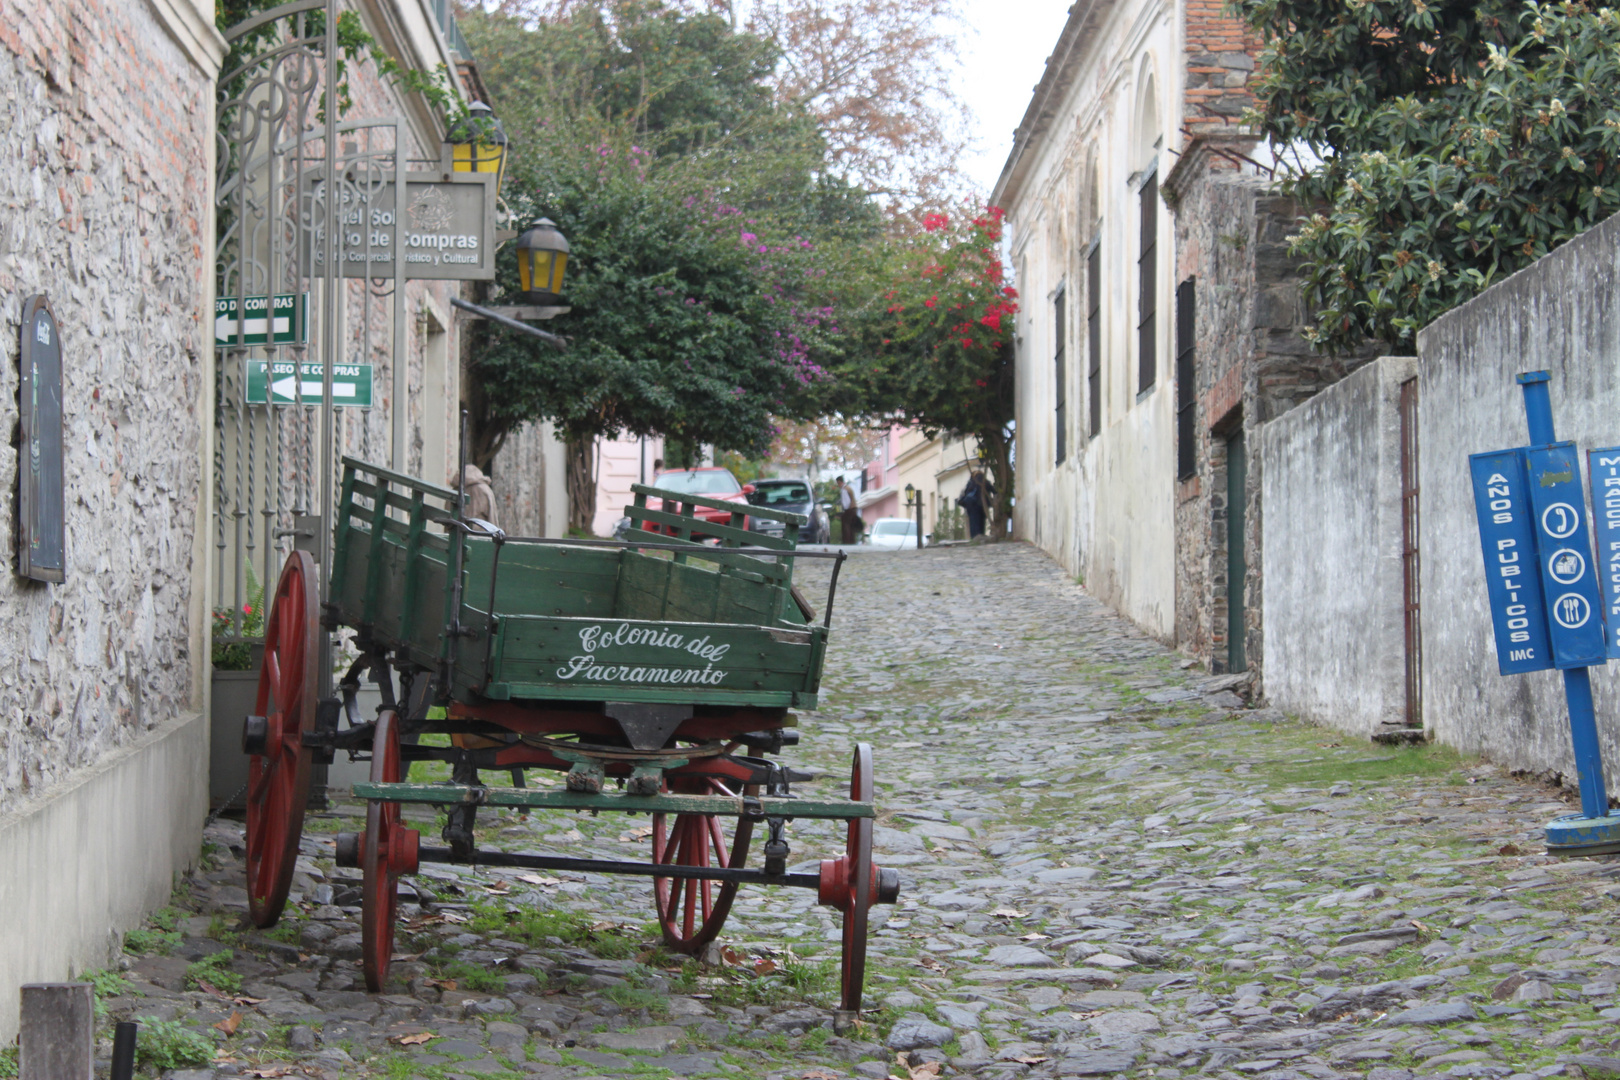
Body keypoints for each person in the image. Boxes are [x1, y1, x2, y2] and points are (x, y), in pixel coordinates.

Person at [957, 469, 994, 540]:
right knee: (981, 521)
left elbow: (966, 493)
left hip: (972, 505)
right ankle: (981, 535)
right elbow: (994, 490)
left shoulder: (971, 482)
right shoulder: (985, 482)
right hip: (983, 505)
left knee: (973, 521)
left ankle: (974, 537)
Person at [836, 475, 862, 545]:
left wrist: (844, 511)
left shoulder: (844, 490)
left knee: (846, 526)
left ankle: (847, 542)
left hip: (849, 510)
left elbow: (846, 502)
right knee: (851, 527)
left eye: (838, 483)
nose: (838, 485)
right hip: (853, 509)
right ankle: (851, 542)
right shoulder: (848, 488)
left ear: (839, 482)